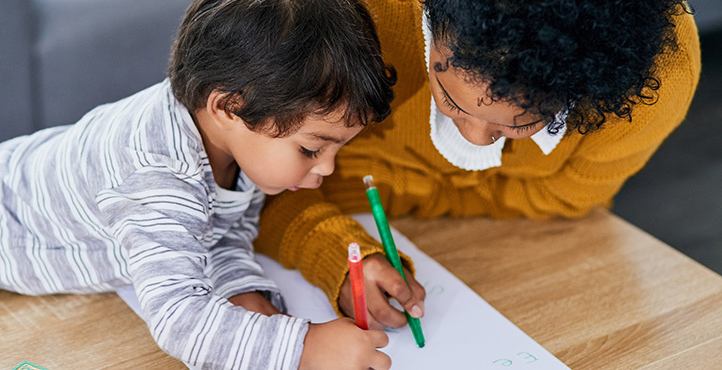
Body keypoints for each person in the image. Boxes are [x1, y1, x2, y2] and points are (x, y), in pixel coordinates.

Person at [0, 0, 397, 369]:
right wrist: (303, 347)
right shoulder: (154, 174)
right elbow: (179, 320)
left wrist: (244, 298)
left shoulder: (236, 137)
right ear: (228, 107)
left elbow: (217, 233)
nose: (327, 169)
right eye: (311, 150)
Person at [255, 0, 701, 331]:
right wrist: (332, 249)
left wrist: (400, 186)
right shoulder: (338, 17)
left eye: (518, 124)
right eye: (449, 99)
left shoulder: (656, 77)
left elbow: (568, 198)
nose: (473, 139)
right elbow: (252, 184)